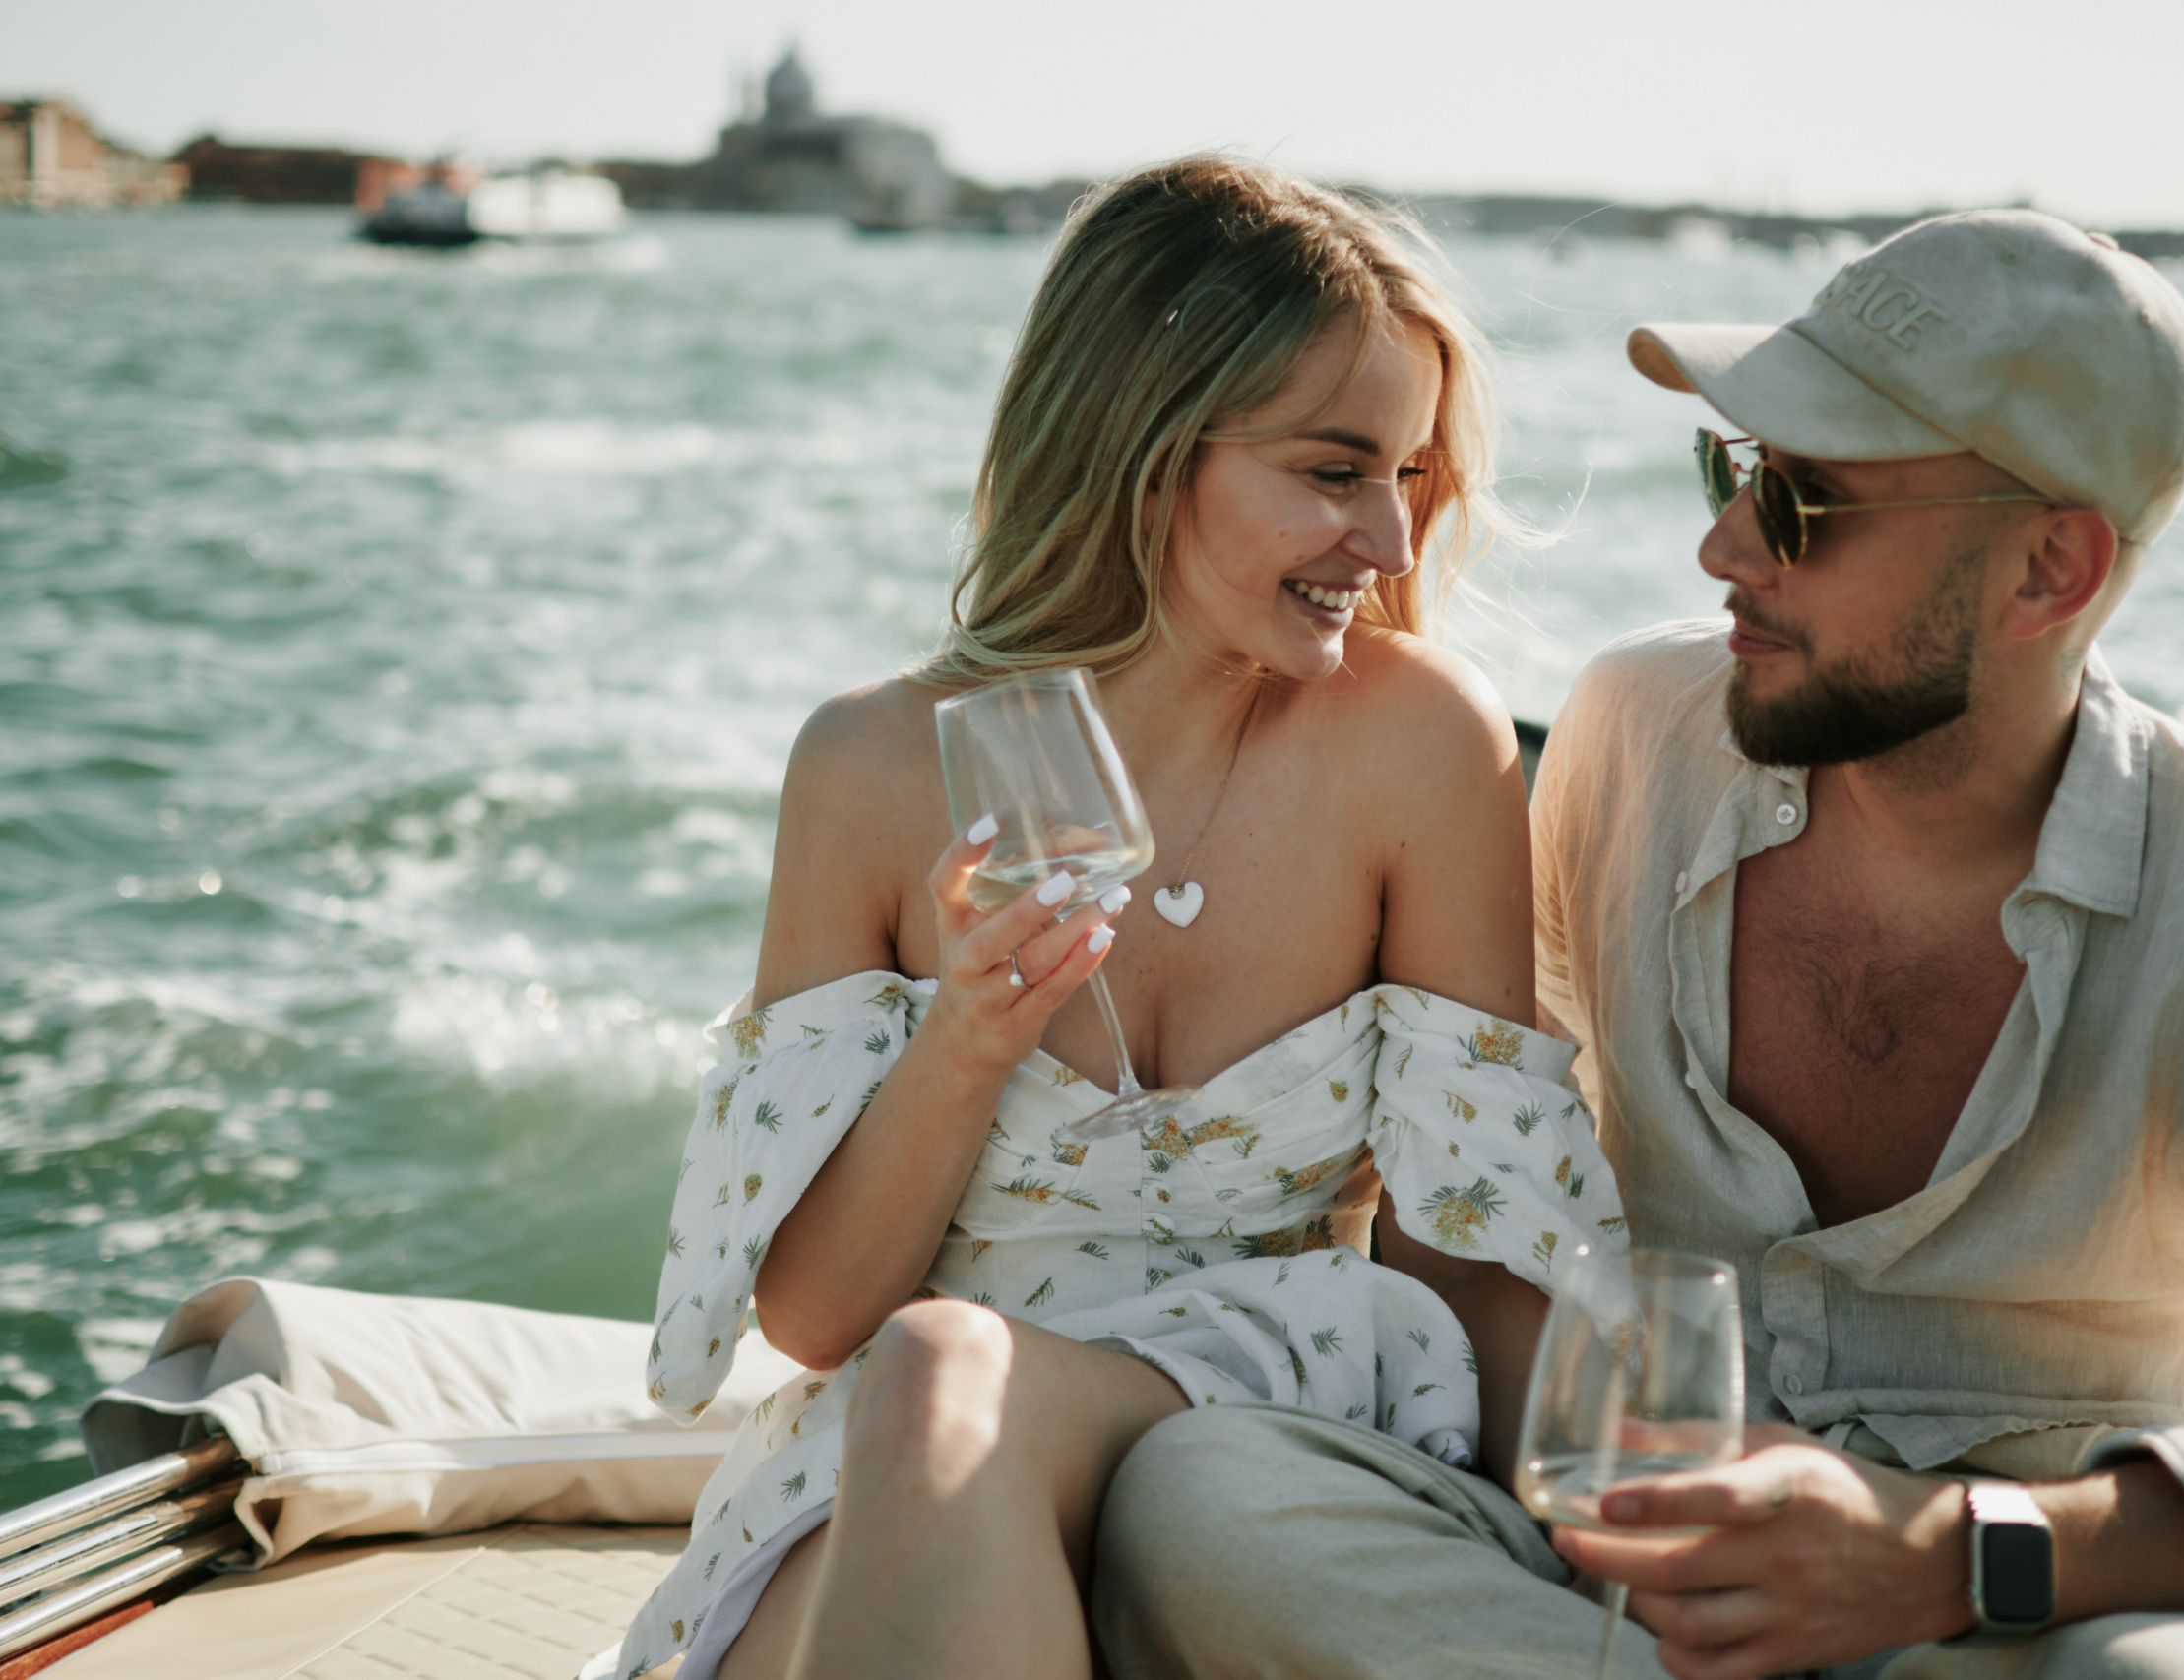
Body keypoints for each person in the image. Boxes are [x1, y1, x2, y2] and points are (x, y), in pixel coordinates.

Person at [1092, 211, 2184, 1678]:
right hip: (1609, 1587)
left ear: (2047, 572)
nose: (1724, 546)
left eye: (1806, 505)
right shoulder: (1627, 742)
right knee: (1202, 1493)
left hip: (2003, 1623)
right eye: (1735, 471)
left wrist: (1939, 1554)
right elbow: (1477, 1219)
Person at [588, 156, 1624, 1680]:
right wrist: (968, 1037)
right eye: (1335, 474)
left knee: (941, 1372)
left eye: (1407, 478)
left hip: (1279, 1399)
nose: (1393, 546)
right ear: (1146, 454)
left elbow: (1465, 1258)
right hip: (911, 1436)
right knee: (897, 1444)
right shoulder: (873, 768)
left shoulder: (1416, 746)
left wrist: (1620, 1545)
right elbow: (814, 1319)